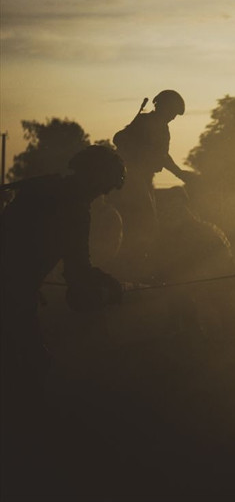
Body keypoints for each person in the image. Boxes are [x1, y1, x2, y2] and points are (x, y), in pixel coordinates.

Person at [0, 145, 125, 497]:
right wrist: (112, 288)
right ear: (98, 180)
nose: (103, 196)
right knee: (31, 370)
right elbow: (79, 280)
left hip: (14, 291)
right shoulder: (75, 210)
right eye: (104, 189)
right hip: (10, 297)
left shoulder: (40, 190)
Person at [110, 89, 194, 277]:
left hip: (142, 179)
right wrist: (180, 173)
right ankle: (134, 267)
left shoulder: (152, 123)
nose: (173, 117)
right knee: (145, 224)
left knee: (147, 221)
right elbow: (161, 156)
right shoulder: (151, 124)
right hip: (135, 180)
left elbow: (161, 156)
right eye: (172, 113)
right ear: (163, 107)